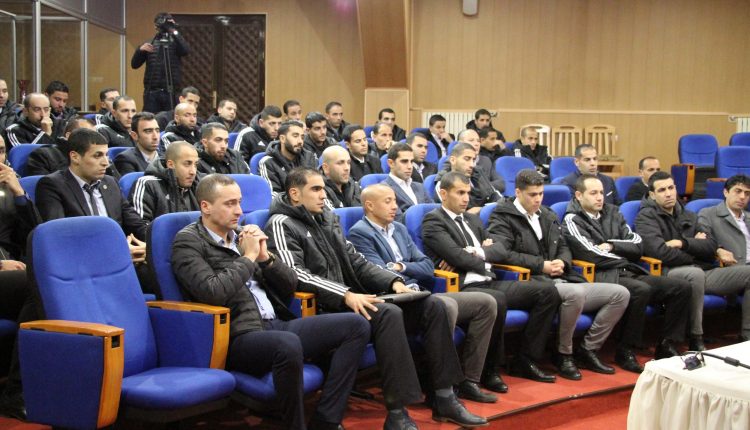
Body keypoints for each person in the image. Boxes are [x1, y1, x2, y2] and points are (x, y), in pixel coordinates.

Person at [264, 167, 488, 428]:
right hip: (324, 307)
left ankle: (444, 397)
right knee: (388, 314)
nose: (323, 195)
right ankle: (397, 412)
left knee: (432, 305)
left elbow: (356, 262)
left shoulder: (326, 218)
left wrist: (394, 281)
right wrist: (346, 294)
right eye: (315, 189)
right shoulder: (281, 223)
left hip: (353, 297)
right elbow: (296, 274)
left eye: (323, 189)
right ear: (294, 194)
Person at [172, 173, 369, 430]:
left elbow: (289, 285)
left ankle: (327, 419)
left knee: (356, 326)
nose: (239, 211)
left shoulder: (243, 235)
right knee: (286, 343)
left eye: (239, 202)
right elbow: (213, 291)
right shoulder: (188, 241)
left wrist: (265, 258)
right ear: (205, 207)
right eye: (229, 204)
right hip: (236, 335)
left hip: (275, 323)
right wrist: (249, 257)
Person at [349, 184, 502, 402]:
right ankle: (436, 384)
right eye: (388, 201)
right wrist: (401, 270)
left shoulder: (399, 229)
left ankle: (469, 380)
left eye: (395, 200)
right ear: (370, 206)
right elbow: (378, 272)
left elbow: (427, 266)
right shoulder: (360, 233)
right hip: (397, 300)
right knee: (444, 306)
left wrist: (401, 266)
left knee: (486, 303)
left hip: (420, 292)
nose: (395, 206)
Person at [424, 171, 562, 383]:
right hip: (462, 287)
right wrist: (479, 253)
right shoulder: (434, 221)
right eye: (460, 193)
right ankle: (489, 371)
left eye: (468, 193)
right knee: (497, 299)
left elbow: (501, 250)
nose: (466, 198)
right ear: (443, 193)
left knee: (547, 292)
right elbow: (457, 257)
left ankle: (525, 359)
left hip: (488, 279)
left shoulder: (473, 219)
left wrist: (475, 251)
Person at [563, 173, 692, 371]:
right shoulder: (572, 219)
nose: (600, 197)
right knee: (640, 290)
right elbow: (590, 254)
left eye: (602, 193)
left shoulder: (613, 212)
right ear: (579, 196)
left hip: (627, 270)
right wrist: (623, 255)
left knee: (680, 287)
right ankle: (625, 350)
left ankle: (667, 344)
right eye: (593, 193)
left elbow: (638, 244)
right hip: (602, 276)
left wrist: (612, 245)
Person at [636, 171, 750, 350]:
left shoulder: (687, 213)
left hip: (702, 269)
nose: (668, 193)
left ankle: (747, 335)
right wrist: (695, 248)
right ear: (652, 194)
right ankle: (696, 337)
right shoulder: (646, 217)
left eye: (671, 188)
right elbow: (659, 252)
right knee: (694, 273)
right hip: (669, 272)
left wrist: (682, 243)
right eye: (662, 190)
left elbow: (712, 245)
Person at [0, 134, 41, 420]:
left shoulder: (7, 189)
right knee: (41, 288)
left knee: (45, 285)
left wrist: (19, 195)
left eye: (2, 151)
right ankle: (16, 392)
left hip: (15, 269)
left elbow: (36, 234)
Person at [697, 174, 750, 341]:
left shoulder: (748, 218)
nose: (742, 197)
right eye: (738, 191)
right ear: (726, 192)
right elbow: (702, 241)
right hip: (721, 271)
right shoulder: (708, 214)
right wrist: (718, 250)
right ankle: (748, 336)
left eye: (747, 193)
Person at [131, 12, 190, 113]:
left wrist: (174, 30)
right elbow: (134, 65)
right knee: (150, 119)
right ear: (155, 26)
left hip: (171, 92)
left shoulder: (176, 43)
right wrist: (140, 50)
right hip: (152, 92)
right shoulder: (150, 43)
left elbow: (185, 50)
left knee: (170, 119)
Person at [129, 141, 200, 223]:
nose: (193, 171)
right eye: (187, 164)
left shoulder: (199, 184)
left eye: (196, 165)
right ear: (170, 165)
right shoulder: (147, 184)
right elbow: (140, 225)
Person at [435, 143, 502, 213]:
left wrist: (482, 209)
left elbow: (498, 198)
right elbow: (453, 214)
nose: (472, 165)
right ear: (453, 160)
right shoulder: (443, 182)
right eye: (467, 159)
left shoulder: (478, 174)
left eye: (473, 160)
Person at [258, 120, 316, 196]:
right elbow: (273, 195)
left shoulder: (308, 157)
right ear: (282, 139)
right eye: (295, 136)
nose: (300, 141)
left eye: (302, 137)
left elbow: (317, 186)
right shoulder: (268, 162)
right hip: (285, 206)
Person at [26, 117, 99, 176]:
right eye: (86, 135)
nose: (92, 141)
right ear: (69, 136)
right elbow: (43, 186)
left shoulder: (97, 156)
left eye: (95, 136)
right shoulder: (43, 156)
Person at [383, 143, 431, 218]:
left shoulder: (420, 187)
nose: (410, 166)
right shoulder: (384, 189)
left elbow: (434, 212)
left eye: (411, 162)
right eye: (404, 161)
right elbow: (397, 220)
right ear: (391, 163)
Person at [456, 129, 505, 193]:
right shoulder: (455, 160)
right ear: (460, 143)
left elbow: (500, 184)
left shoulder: (486, 160)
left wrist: (481, 187)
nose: (476, 144)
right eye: (471, 140)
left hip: (485, 199)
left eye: (478, 141)